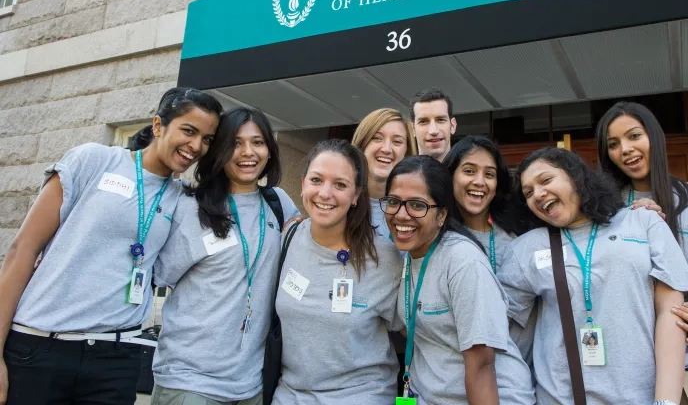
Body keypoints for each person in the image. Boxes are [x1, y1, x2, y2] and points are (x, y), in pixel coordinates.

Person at [0, 87, 222, 405]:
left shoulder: (183, 199)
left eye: (207, 139)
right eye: (188, 131)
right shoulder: (93, 160)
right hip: (40, 347)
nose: (196, 146)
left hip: (116, 355)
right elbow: (22, 250)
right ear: (158, 126)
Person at [504, 147, 688, 405]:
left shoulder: (643, 222)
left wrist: (666, 402)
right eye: (528, 192)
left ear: (576, 177)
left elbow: (672, 314)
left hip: (644, 398)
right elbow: (502, 335)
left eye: (546, 180)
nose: (537, 194)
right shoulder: (525, 249)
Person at [150, 108, 300, 405]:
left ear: (270, 149)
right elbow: (158, 274)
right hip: (189, 381)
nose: (248, 152)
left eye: (257, 142)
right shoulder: (190, 207)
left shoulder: (279, 204)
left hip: (251, 384)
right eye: (235, 143)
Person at [382, 155, 535, 405]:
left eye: (417, 205)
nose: (401, 215)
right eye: (394, 202)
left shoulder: (463, 261)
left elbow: (482, 366)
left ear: (442, 215)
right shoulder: (408, 256)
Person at [597, 101, 688, 347]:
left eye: (634, 136)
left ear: (655, 137)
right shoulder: (602, 211)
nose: (625, 149)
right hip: (623, 348)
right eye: (613, 144)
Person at [272, 139, 402, 404]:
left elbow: (413, 332)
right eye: (316, 180)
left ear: (356, 196)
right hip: (290, 395)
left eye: (340, 185)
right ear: (303, 184)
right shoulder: (289, 238)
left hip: (360, 396)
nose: (325, 193)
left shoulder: (384, 257)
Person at [443, 136, 537, 367]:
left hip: (518, 378)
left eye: (489, 174)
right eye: (468, 171)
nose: (479, 181)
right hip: (459, 373)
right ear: (450, 176)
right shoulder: (437, 240)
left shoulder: (521, 233)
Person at [351, 108, 416, 239]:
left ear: (407, 152)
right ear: (362, 145)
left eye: (397, 142)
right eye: (377, 138)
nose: (386, 149)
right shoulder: (339, 200)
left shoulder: (418, 210)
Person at [409, 88, 456, 162]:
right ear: (413, 129)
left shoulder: (473, 173)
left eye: (440, 120)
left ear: (453, 126)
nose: (433, 131)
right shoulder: (400, 173)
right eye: (423, 122)